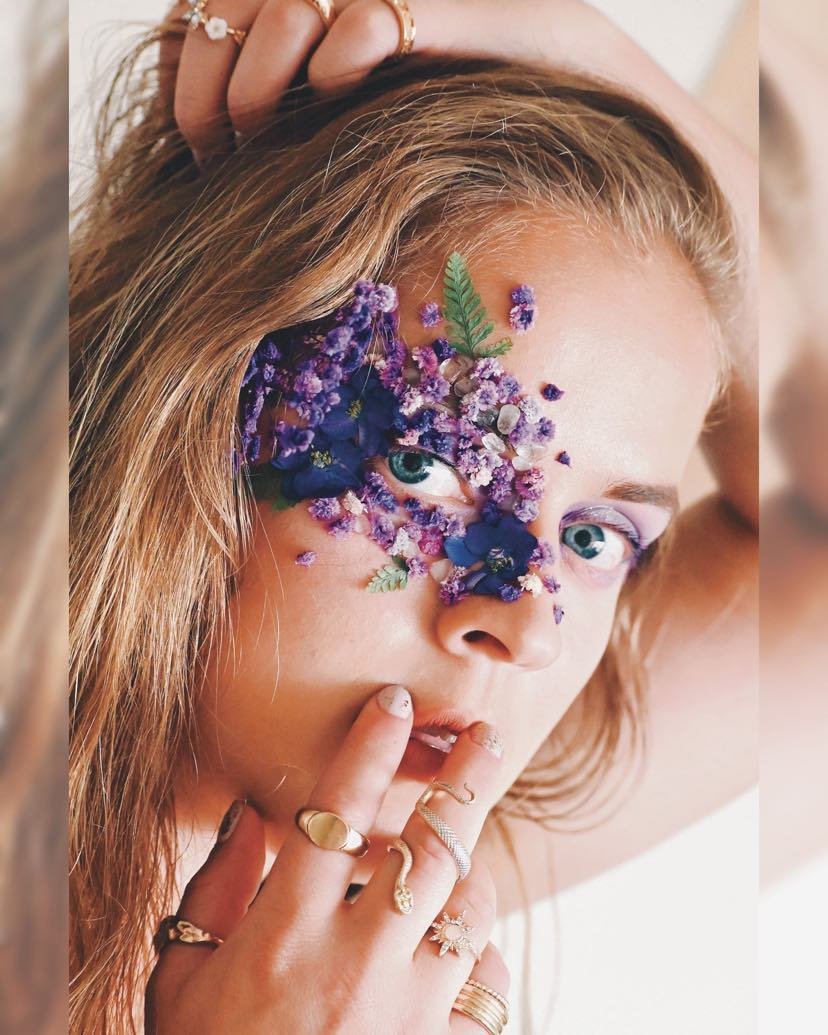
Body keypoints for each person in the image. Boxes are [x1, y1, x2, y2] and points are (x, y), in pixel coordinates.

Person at [69, 2, 757, 1032]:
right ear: (179, 413)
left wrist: (576, 47)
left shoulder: (412, 897)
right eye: (423, 464)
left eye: (592, 538)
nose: (518, 625)